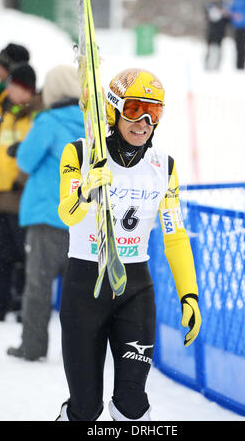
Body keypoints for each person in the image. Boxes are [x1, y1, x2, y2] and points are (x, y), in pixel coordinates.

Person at [56, 68, 201, 421]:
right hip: (85, 288)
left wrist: (190, 294)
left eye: (155, 112)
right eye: (135, 109)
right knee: (85, 408)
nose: (145, 122)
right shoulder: (79, 153)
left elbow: (176, 234)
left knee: (132, 405)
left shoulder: (163, 167)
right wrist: (88, 190)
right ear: (114, 110)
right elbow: (67, 213)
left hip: (134, 290)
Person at [7, 64, 84, 361]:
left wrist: (20, 149)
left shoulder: (48, 121)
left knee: (38, 286)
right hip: (80, 218)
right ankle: (82, 351)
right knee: (79, 292)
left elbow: (26, 161)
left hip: (47, 215)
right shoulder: (92, 123)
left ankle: (33, 346)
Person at [0, 63, 42, 321]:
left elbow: (36, 153)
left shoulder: (37, 116)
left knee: (27, 259)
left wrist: (22, 179)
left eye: (12, 86)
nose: (7, 90)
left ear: (24, 88)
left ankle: (25, 307)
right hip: (2, 197)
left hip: (23, 199)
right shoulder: (8, 114)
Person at [0, 43, 30, 234]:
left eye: (0, 64)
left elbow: (8, 138)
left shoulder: (15, 101)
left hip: (7, 183)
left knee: (5, 249)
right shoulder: (1, 97)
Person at [204, 0, 228, 71]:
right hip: (211, 30)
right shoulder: (209, 5)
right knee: (209, 48)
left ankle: (217, 66)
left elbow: (227, 19)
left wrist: (224, 14)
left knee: (218, 49)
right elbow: (206, 15)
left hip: (220, 31)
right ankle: (207, 65)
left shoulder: (225, 5)